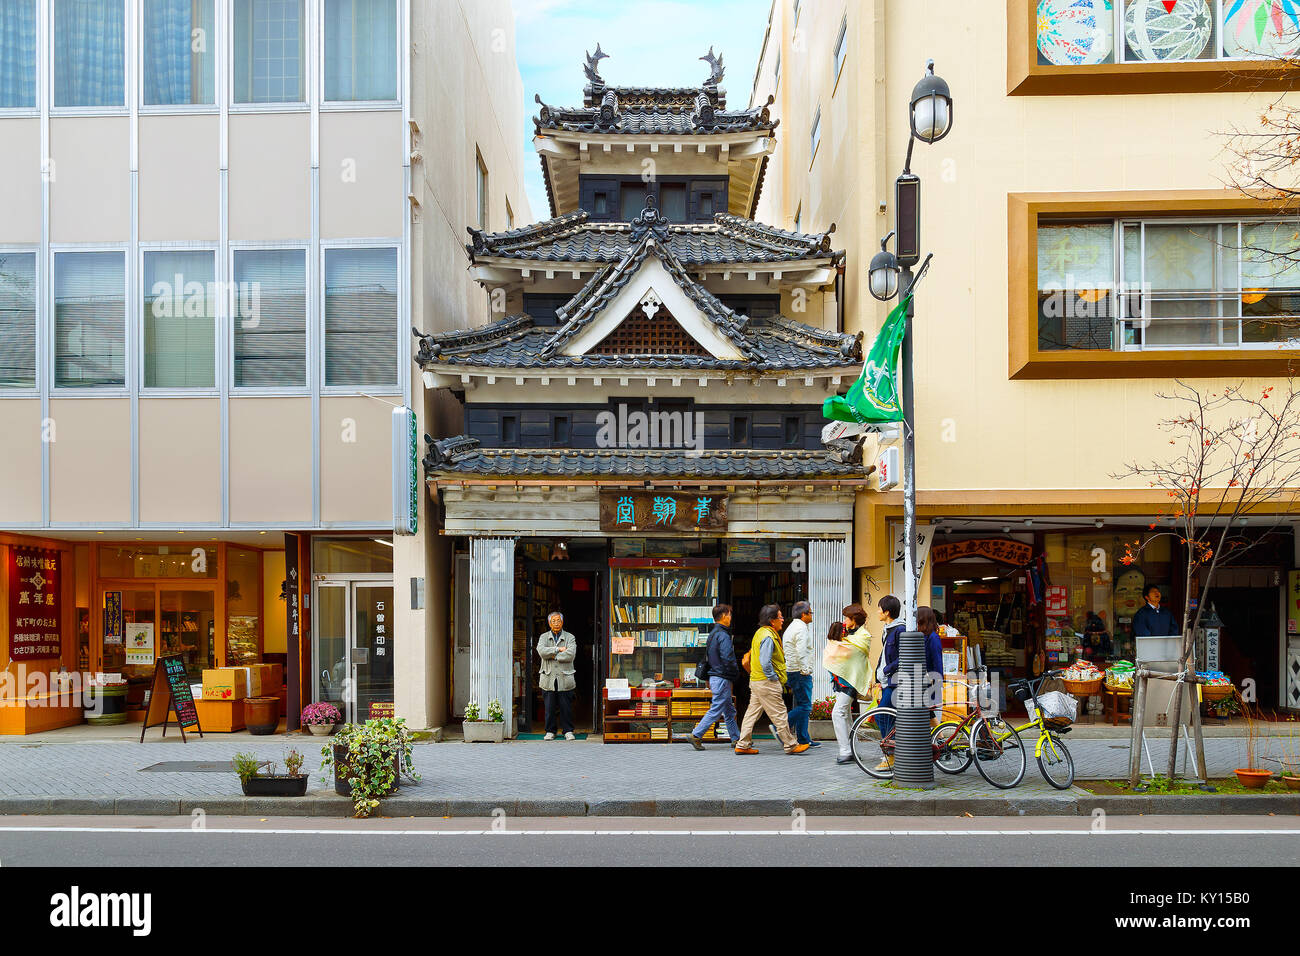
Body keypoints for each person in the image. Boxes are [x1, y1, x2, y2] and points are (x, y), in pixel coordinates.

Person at [735, 604, 811, 755]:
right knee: (780, 714)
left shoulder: (760, 633)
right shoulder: (768, 637)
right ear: (772, 620)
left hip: (756, 680)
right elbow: (765, 661)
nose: (783, 620)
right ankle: (791, 745)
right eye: (780, 617)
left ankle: (742, 744)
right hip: (767, 682)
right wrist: (773, 677)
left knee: (752, 713)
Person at [824, 605, 873, 766]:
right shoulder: (849, 635)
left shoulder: (863, 636)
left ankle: (845, 751)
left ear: (854, 620)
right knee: (844, 715)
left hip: (851, 680)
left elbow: (846, 654)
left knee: (837, 713)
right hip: (841, 680)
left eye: (847, 618)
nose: (844, 621)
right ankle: (853, 750)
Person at [690, 604, 742, 749]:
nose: (731, 618)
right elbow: (727, 657)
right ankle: (696, 735)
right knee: (718, 707)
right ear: (724, 615)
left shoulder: (712, 634)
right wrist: (735, 673)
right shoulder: (723, 635)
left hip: (715, 677)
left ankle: (736, 738)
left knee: (729, 710)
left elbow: (709, 658)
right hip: (722, 677)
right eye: (730, 615)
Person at [872, 595, 906, 770]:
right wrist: (879, 675)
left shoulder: (900, 629)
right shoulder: (889, 629)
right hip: (888, 681)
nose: (877, 612)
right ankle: (892, 752)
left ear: (887, 612)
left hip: (895, 681)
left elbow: (903, 657)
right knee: (886, 716)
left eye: (879, 609)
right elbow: (885, 654)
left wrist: (885, 670)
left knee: (882, 715)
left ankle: (891, 754)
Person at [536, 611, 577, 740]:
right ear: (549, 623)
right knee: (549, 707)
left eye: (558, 620)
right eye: (553, 621)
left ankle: (568, 731)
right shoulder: (543, 637)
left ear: (562, 622)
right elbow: (542, 652)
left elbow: (570, 654)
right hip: (548, 677)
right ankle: (550, 731)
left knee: (566, 707)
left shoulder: (570, 637)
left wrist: (552, 656)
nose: (556, 623)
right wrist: (558, 650)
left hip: (565, 677)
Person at [782, 601, 816, 747]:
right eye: (810, 612)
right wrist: (805, 669)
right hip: (799, 671)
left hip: (793, 670)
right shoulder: (801, 628)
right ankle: (781, 728)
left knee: (803, 704)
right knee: (805, 706)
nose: (812, 615)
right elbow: (801, 650)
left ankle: (803, 738)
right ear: (804, 614)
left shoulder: (792, 627)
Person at [916, 605, 946, 712]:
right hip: (921, 683)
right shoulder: (920, 635)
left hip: (931, 684)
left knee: (932, 718)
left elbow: (937, 662)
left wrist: (937, 684)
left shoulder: (933, 637)